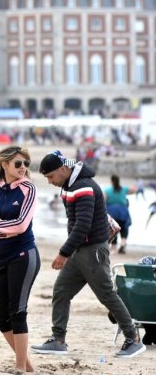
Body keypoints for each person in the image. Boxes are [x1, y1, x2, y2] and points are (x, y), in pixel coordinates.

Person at [31, 150, 145, 358]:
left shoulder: (83, 187)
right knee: (61, 291)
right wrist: (70, 251)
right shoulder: (70, 185)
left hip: (92, 252)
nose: (49, 181)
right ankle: (58, 340)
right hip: (79, 251)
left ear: (63, 169)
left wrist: (63, 253)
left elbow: (82, 226)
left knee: (107, 296)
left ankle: (133, 338)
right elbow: (76, 223)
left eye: (50, 176)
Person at [0, 145, 40, 373]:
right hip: (0, 258)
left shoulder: (28, 189)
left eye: (26, 164)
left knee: (18, 312)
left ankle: (20, 368)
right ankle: (29, 366)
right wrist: (4, 229)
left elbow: (23, 225)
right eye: (18, 164)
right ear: (5, 165)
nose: (23, 168)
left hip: (24, 255)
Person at [104, 175, 135, 254]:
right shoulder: (124, 189)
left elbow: (103, 199)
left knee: (113, 229)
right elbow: (133, 190)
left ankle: (114, 248)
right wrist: (135, 184)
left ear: (111, 181)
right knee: (124, 227)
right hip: (123, 211)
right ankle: (123, 243)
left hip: (112, 211)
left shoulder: (107, 190)